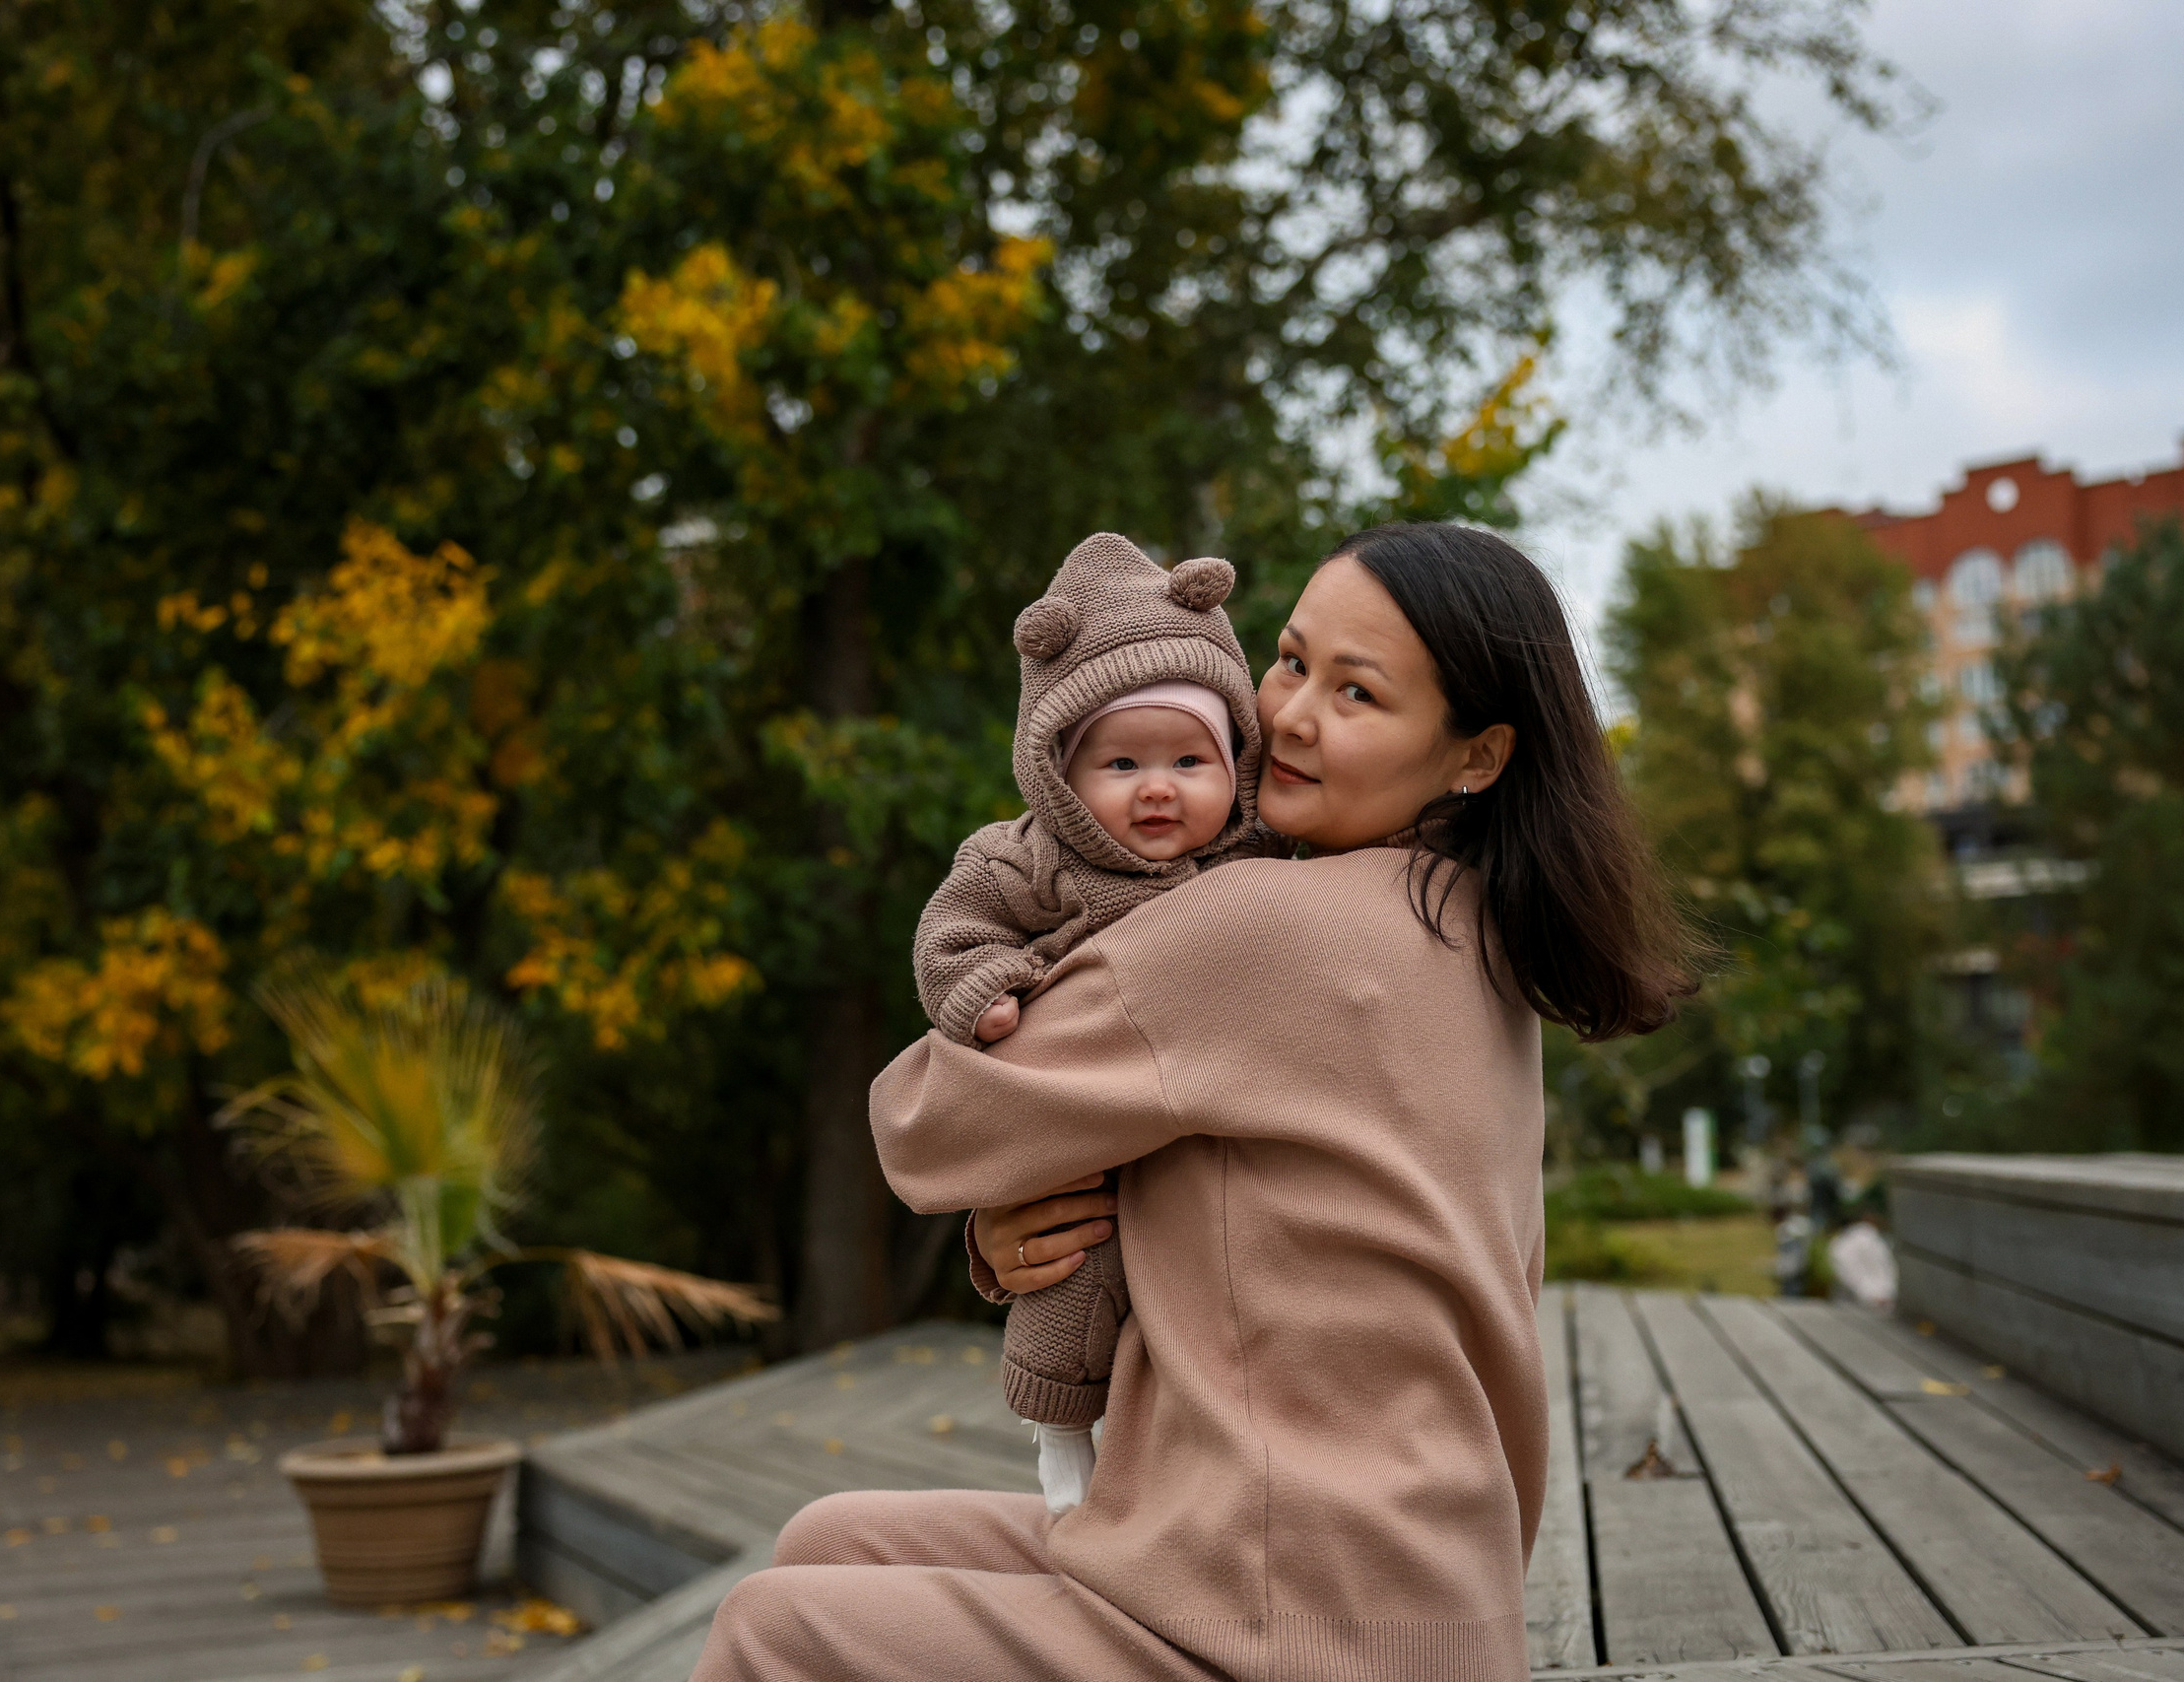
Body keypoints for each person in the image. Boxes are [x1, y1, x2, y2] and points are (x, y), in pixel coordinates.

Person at [693, 522, 1696, 1682]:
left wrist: (1000, 1198)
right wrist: (1026, 1221)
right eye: (1287, 659)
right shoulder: (1471, 932)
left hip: (1285, 1613)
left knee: (772, 1629)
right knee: (835, 1540)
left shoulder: (1261, 927)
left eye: (1357, 693)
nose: (1291, 716)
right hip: (1420, 1595)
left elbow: (926, 1124)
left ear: (1475, 756)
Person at [910, 531, 1272, 1513]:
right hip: (1087, 1137)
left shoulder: (1260, 864)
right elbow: (950, 935)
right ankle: (1059, 1438)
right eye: (1119, 762)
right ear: (1059, 771)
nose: (1158, 788)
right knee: (1071, 1267)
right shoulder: (1024, 860)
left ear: (1236, 758)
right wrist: (986, 986)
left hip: (1210, 1140)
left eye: (1190, 759)